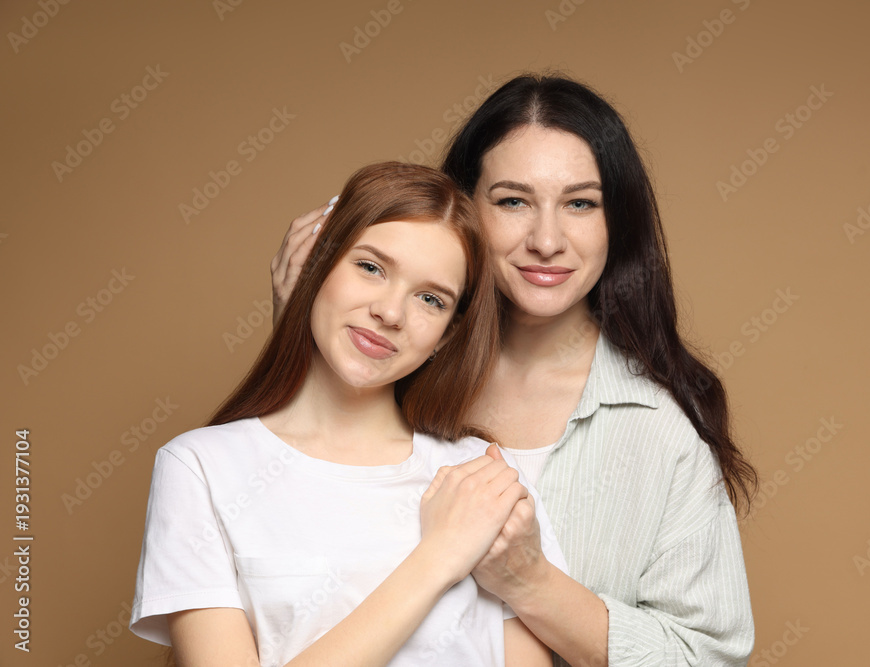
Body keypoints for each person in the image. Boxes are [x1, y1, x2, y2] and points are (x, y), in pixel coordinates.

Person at [272, 74, 759, 666]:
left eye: (580, 203)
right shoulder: (390, 369)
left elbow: (706, 657)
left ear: (617, 221)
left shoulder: (662, 429)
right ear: (463, 209)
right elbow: (278, 552)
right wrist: (302, 328)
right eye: (512, 201)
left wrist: (529, 580)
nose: (547, 240)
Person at [129, 161, 567, 666]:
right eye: (371, 268)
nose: (390, 312)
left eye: (430, 299)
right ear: (317, 266)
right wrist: (440, 556)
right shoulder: (201, 469)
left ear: (446, 336)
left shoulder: (484, 477)